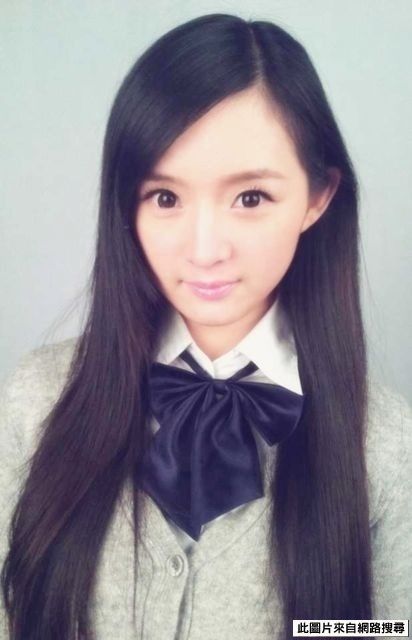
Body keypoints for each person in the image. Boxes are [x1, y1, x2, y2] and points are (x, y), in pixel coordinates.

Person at [1, 12, 411, 640]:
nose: (205, 250)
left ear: (318, 197)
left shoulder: (386, 450)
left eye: (251, 198)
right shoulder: (35, 403)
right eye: (165, 198)